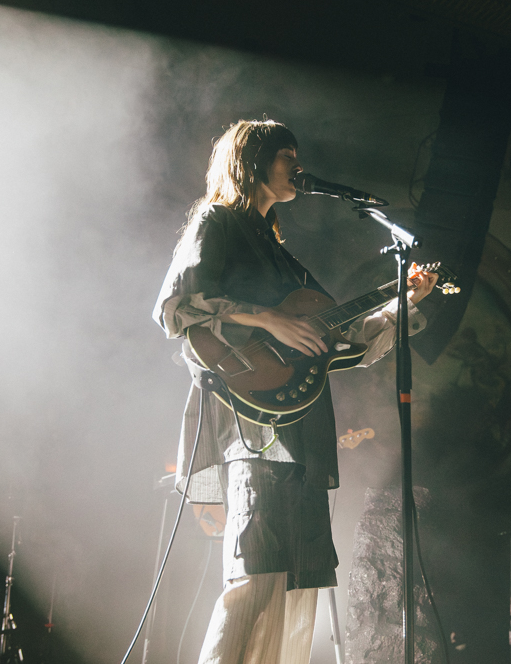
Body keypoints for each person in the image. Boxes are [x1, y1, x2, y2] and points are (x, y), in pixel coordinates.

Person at [153, 118, 437, 664]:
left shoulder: (280, 251)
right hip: (254, 426)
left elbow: (340, 344)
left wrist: (405, 302)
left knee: (298, 584)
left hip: (301, 425)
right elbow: (177, 306)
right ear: (253, 162)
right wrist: (268, 320)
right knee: (255, 576)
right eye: (287, 154)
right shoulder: (217, 222)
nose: (297, 165)